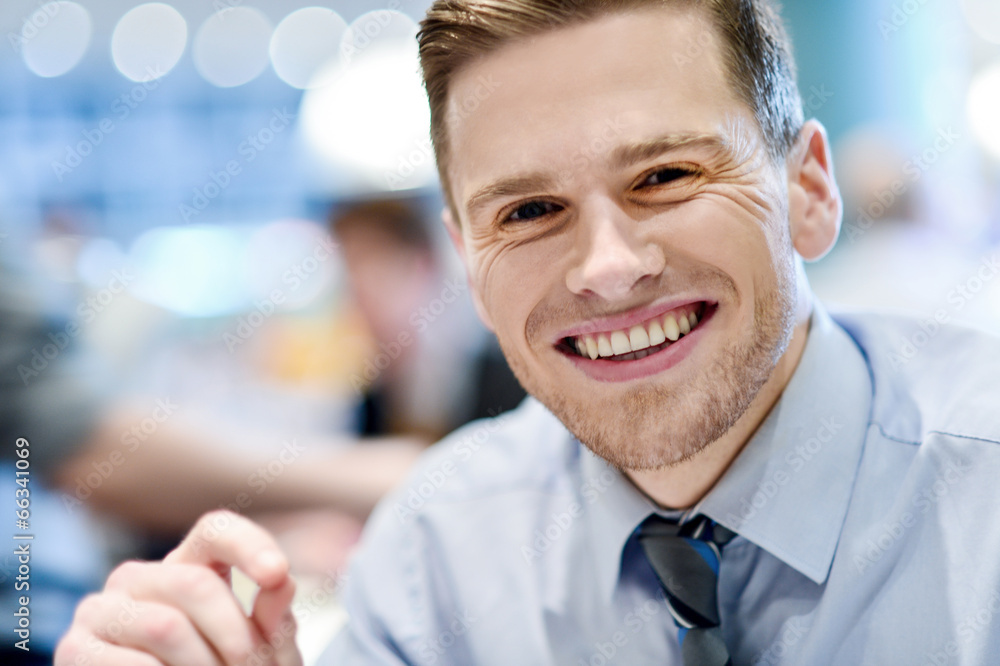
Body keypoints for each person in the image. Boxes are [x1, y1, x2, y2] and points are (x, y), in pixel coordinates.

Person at [56, 0, 1000, 664]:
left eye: (665, 176)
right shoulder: (437, 557)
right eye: (529, 211)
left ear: (807, 190)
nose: (606, 266)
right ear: (467, 262)